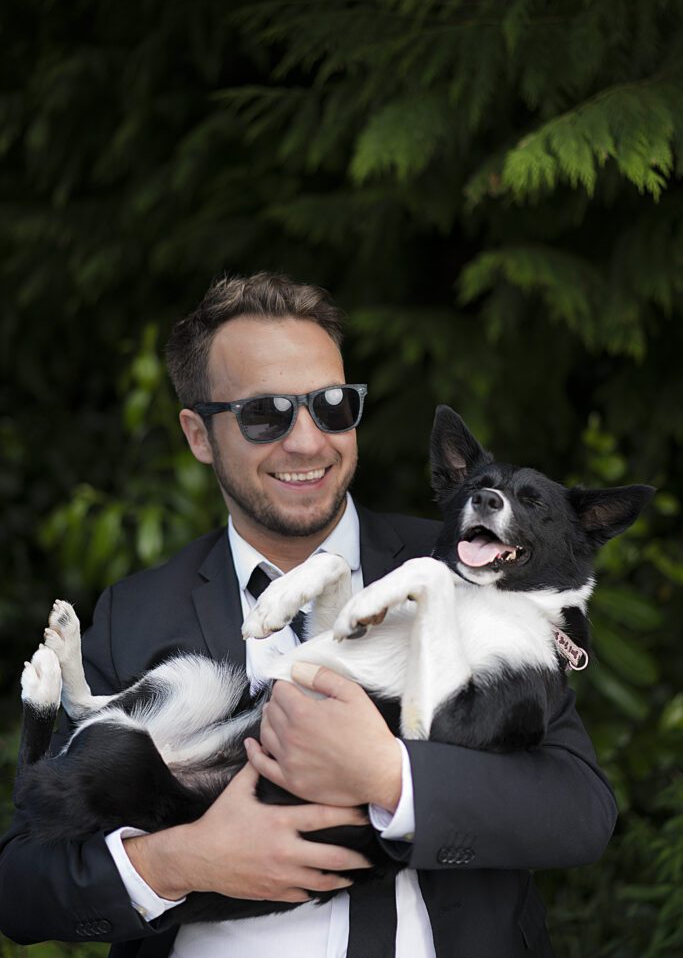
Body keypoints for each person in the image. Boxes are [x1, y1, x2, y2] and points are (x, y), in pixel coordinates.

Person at [0, 273, 617, 958]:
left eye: (330, 406)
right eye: (265, 414)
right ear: (199, 434)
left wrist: (390, 777)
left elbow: (578, 810)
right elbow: (21, 881)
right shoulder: (137, 608)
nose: (306, 441)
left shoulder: (471, 568)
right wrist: (179, 863)